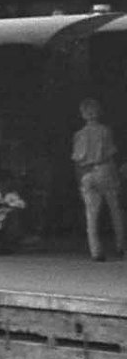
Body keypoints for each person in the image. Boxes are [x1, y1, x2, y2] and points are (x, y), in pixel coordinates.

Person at [72, 98, 123, 262]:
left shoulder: (79, 134)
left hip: (86, 172)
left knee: (91, 215)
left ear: (82, 114)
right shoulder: (105, 131)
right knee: (116, 209)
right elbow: (110, 153)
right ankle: (121, 245)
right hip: (105, 168)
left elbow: (76, 160)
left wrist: (79, 180)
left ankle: (96, 251)